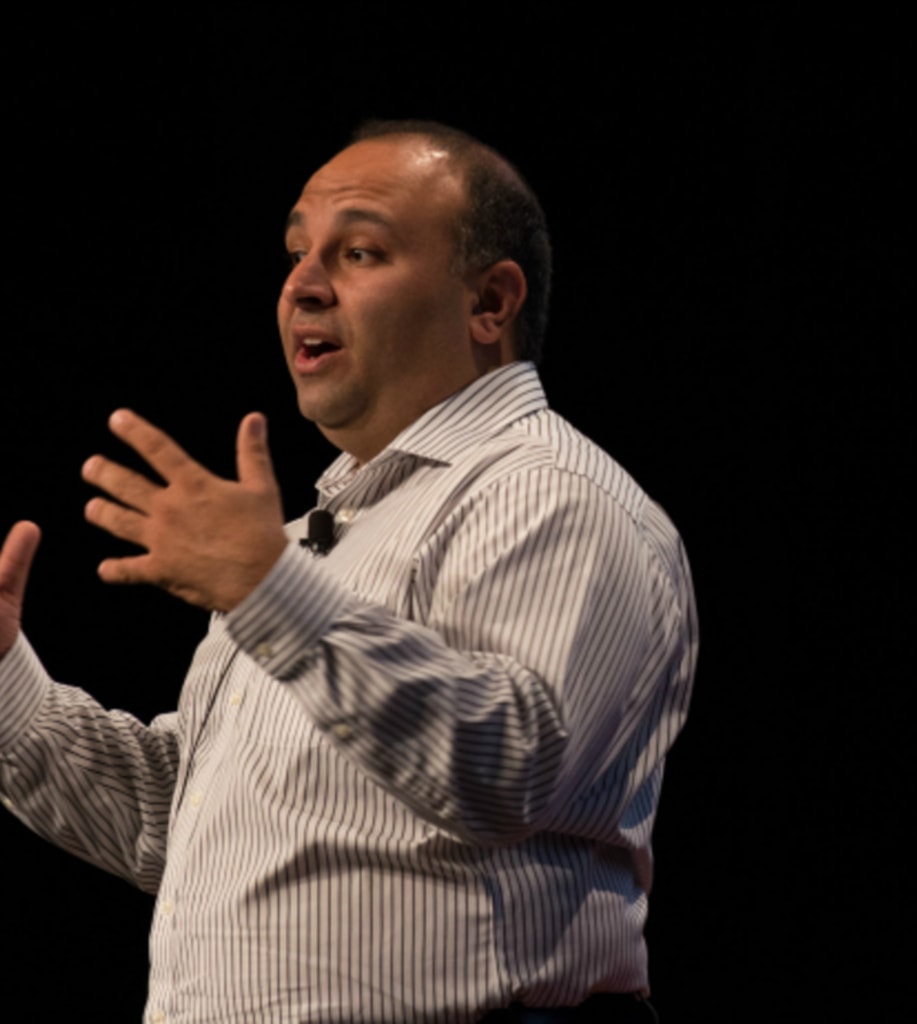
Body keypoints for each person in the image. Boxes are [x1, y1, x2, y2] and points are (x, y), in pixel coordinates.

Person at [0, 120, 697, 1023]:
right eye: (295, 253)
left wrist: (268, 595)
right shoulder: (303, 542)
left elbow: (510, 770)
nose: (302, 285)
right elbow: (181, 821)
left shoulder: (552, 496)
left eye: (359, 251)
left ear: (490, 303)